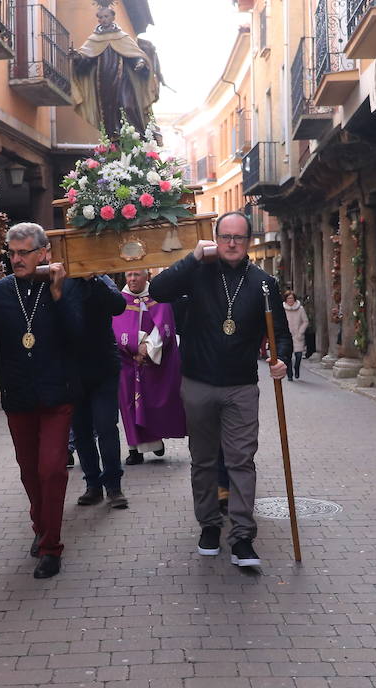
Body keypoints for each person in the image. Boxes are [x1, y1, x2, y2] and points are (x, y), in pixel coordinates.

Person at [149, 211, 290, 569]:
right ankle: (209, 525)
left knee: (242, 461)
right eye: (225, 236)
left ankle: (242, 536)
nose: (231, 243)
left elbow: (282, 334)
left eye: (239, 238)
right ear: (215, 237)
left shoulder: (262, 283)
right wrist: (194, 256)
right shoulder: (197, 273)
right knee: (205, 461)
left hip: (242, 387)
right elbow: (159, 289)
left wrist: (281, 358)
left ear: (248, 241)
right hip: (198, 384)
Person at [0, 223, 85, 579]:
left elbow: (77, 336)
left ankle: (51, 548)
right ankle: (41, 528)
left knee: (51, 470)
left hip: (56, 394)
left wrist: (60, 295)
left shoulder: (64, 285)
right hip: (18, 395)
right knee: (30, 472)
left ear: (43, 252)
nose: (16, 260)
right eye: (11, 254)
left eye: (23, 253)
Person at [114, 268, 185, 465]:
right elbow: (117, 329)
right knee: (129, 404)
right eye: (129, 275)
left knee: (152, 402)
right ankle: (134, 450)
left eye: (136, 274)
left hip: (153, 359)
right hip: (128, 361)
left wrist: (148, 348)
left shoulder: (158, 297)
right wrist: (135, 348)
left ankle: (155, 441)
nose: (132, 278)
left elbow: (165, 326)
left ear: (147, 276)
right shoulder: (121, 300)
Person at [70, 0, 163, 138]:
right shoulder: (93, 40)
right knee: (108, 112)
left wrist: (140, 63)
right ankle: (114, 140)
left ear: (113, 17)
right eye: (100, 17)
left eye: (106, 16)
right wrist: (77, 59)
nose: (103, 19)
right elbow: (86, 61)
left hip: (123, 80)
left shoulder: (122, 37)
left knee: (128, 106)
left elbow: (134, 54)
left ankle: (135, 139)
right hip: (103, 83)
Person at [71, 274, 130, 509]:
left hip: (104, 367)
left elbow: (118, 306)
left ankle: (114, 487)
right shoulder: (63, 282)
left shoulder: (103, 281)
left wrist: (94, 280)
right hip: (74, 370)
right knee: (82, 431)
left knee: (106, 426)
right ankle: (93, 485)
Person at [283, 290, 310, 381]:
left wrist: (300, 332)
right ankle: (289, 374)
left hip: (298, 336)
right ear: (286, 299)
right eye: (288, 298)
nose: (290, 300)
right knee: (287, 357)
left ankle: (297, 368)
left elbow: (305, 321)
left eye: (292, 298)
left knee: (298, 356)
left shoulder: (300, 309)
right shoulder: (282, 309)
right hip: (287, 336)